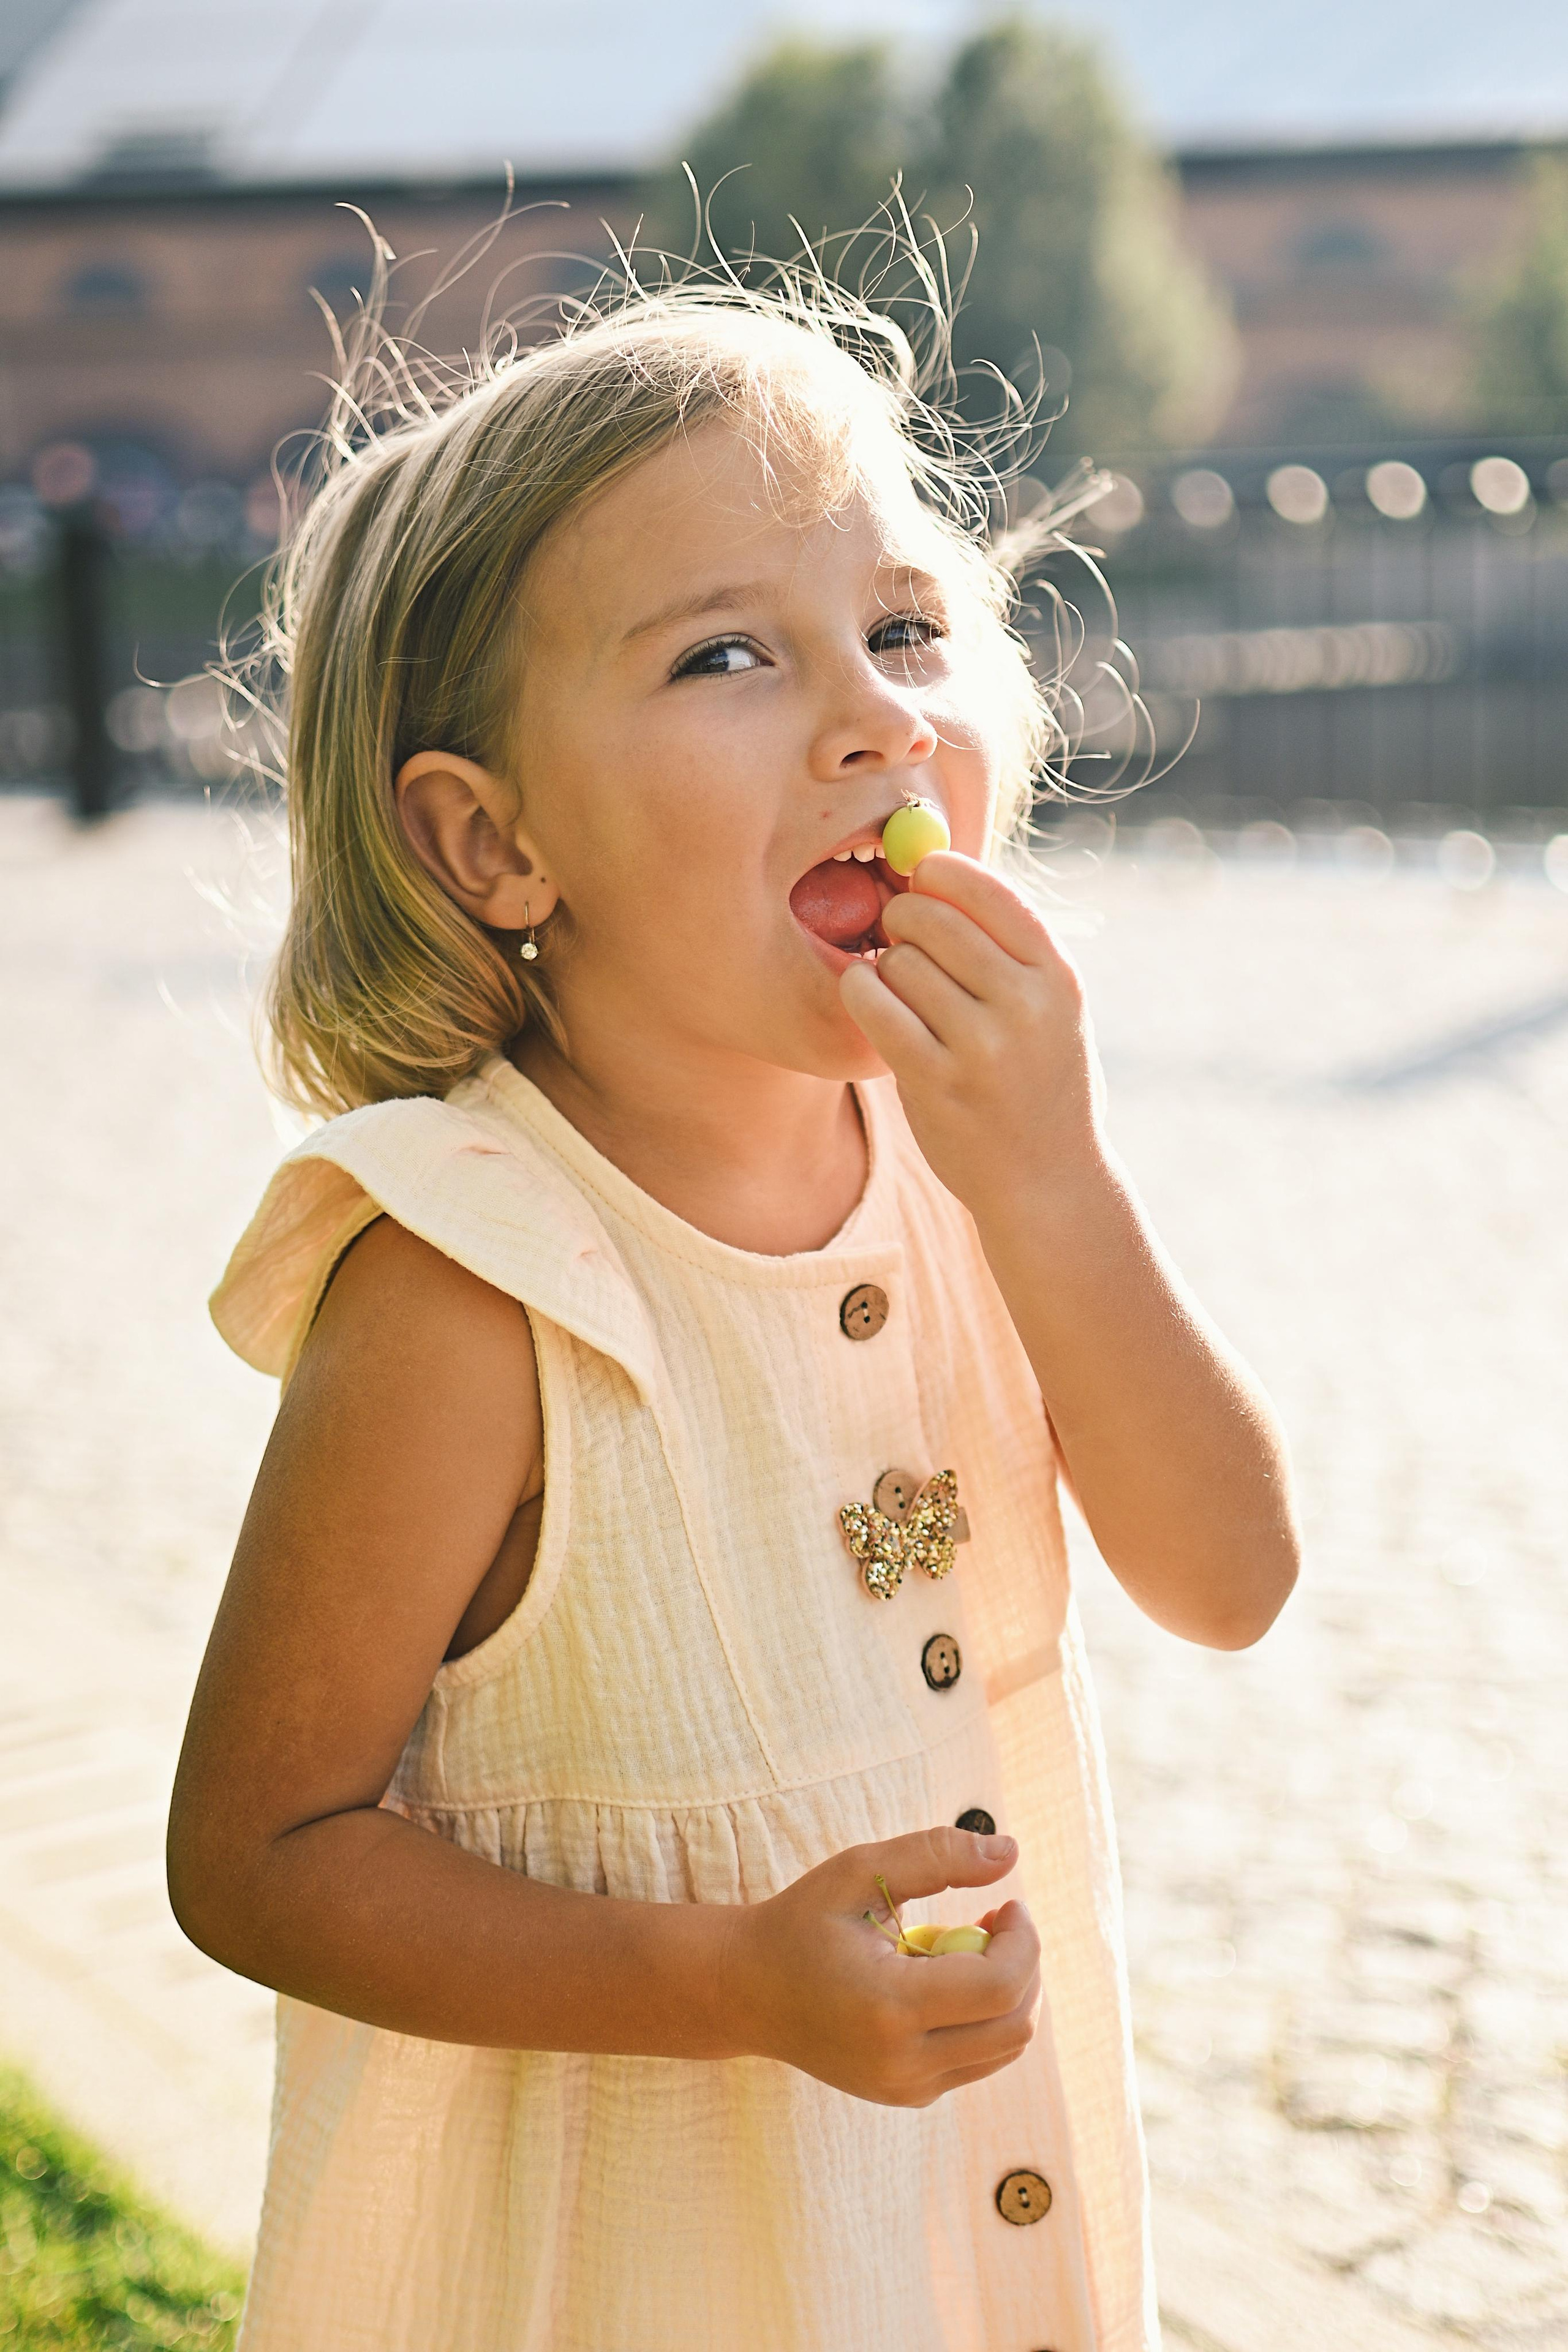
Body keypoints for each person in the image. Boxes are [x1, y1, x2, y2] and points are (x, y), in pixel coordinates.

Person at [168, 269, 1299, 2352]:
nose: (872, 717)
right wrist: (732, 1984)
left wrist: (1053, 1183)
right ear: (492, 840)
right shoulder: (473, 1279)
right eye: (726, 657)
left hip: (955, 2249)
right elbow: (255, 1852)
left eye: (902, 629)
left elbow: (1228, 1579)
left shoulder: (980, 1176)